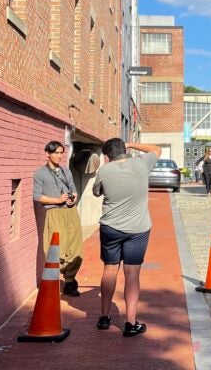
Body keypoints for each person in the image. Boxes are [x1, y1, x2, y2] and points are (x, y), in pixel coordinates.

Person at [92, 138, 161, 337]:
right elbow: (156, 147)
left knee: (110, 269)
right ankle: (130, 323)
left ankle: (104, 317)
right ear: (124, 150)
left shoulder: (104, 171)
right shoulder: (141, 163)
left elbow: (97, 193)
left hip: (111, 228)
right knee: (132, 274)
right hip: (138, 230)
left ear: (107, 156)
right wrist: (132, 145)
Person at [32, 141, 83, 297]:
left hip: (70, 212)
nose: (59, 156)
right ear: (47, 153)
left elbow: (74, 190)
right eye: (56, 153)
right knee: (54, 248)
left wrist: (72, 198)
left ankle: (69, 282)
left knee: (75, 248)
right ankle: (53, 280)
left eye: (61, 152)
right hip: (54, 213)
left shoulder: (66, 172)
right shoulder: (40, 173)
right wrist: (57, 200)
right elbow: (37, 196)